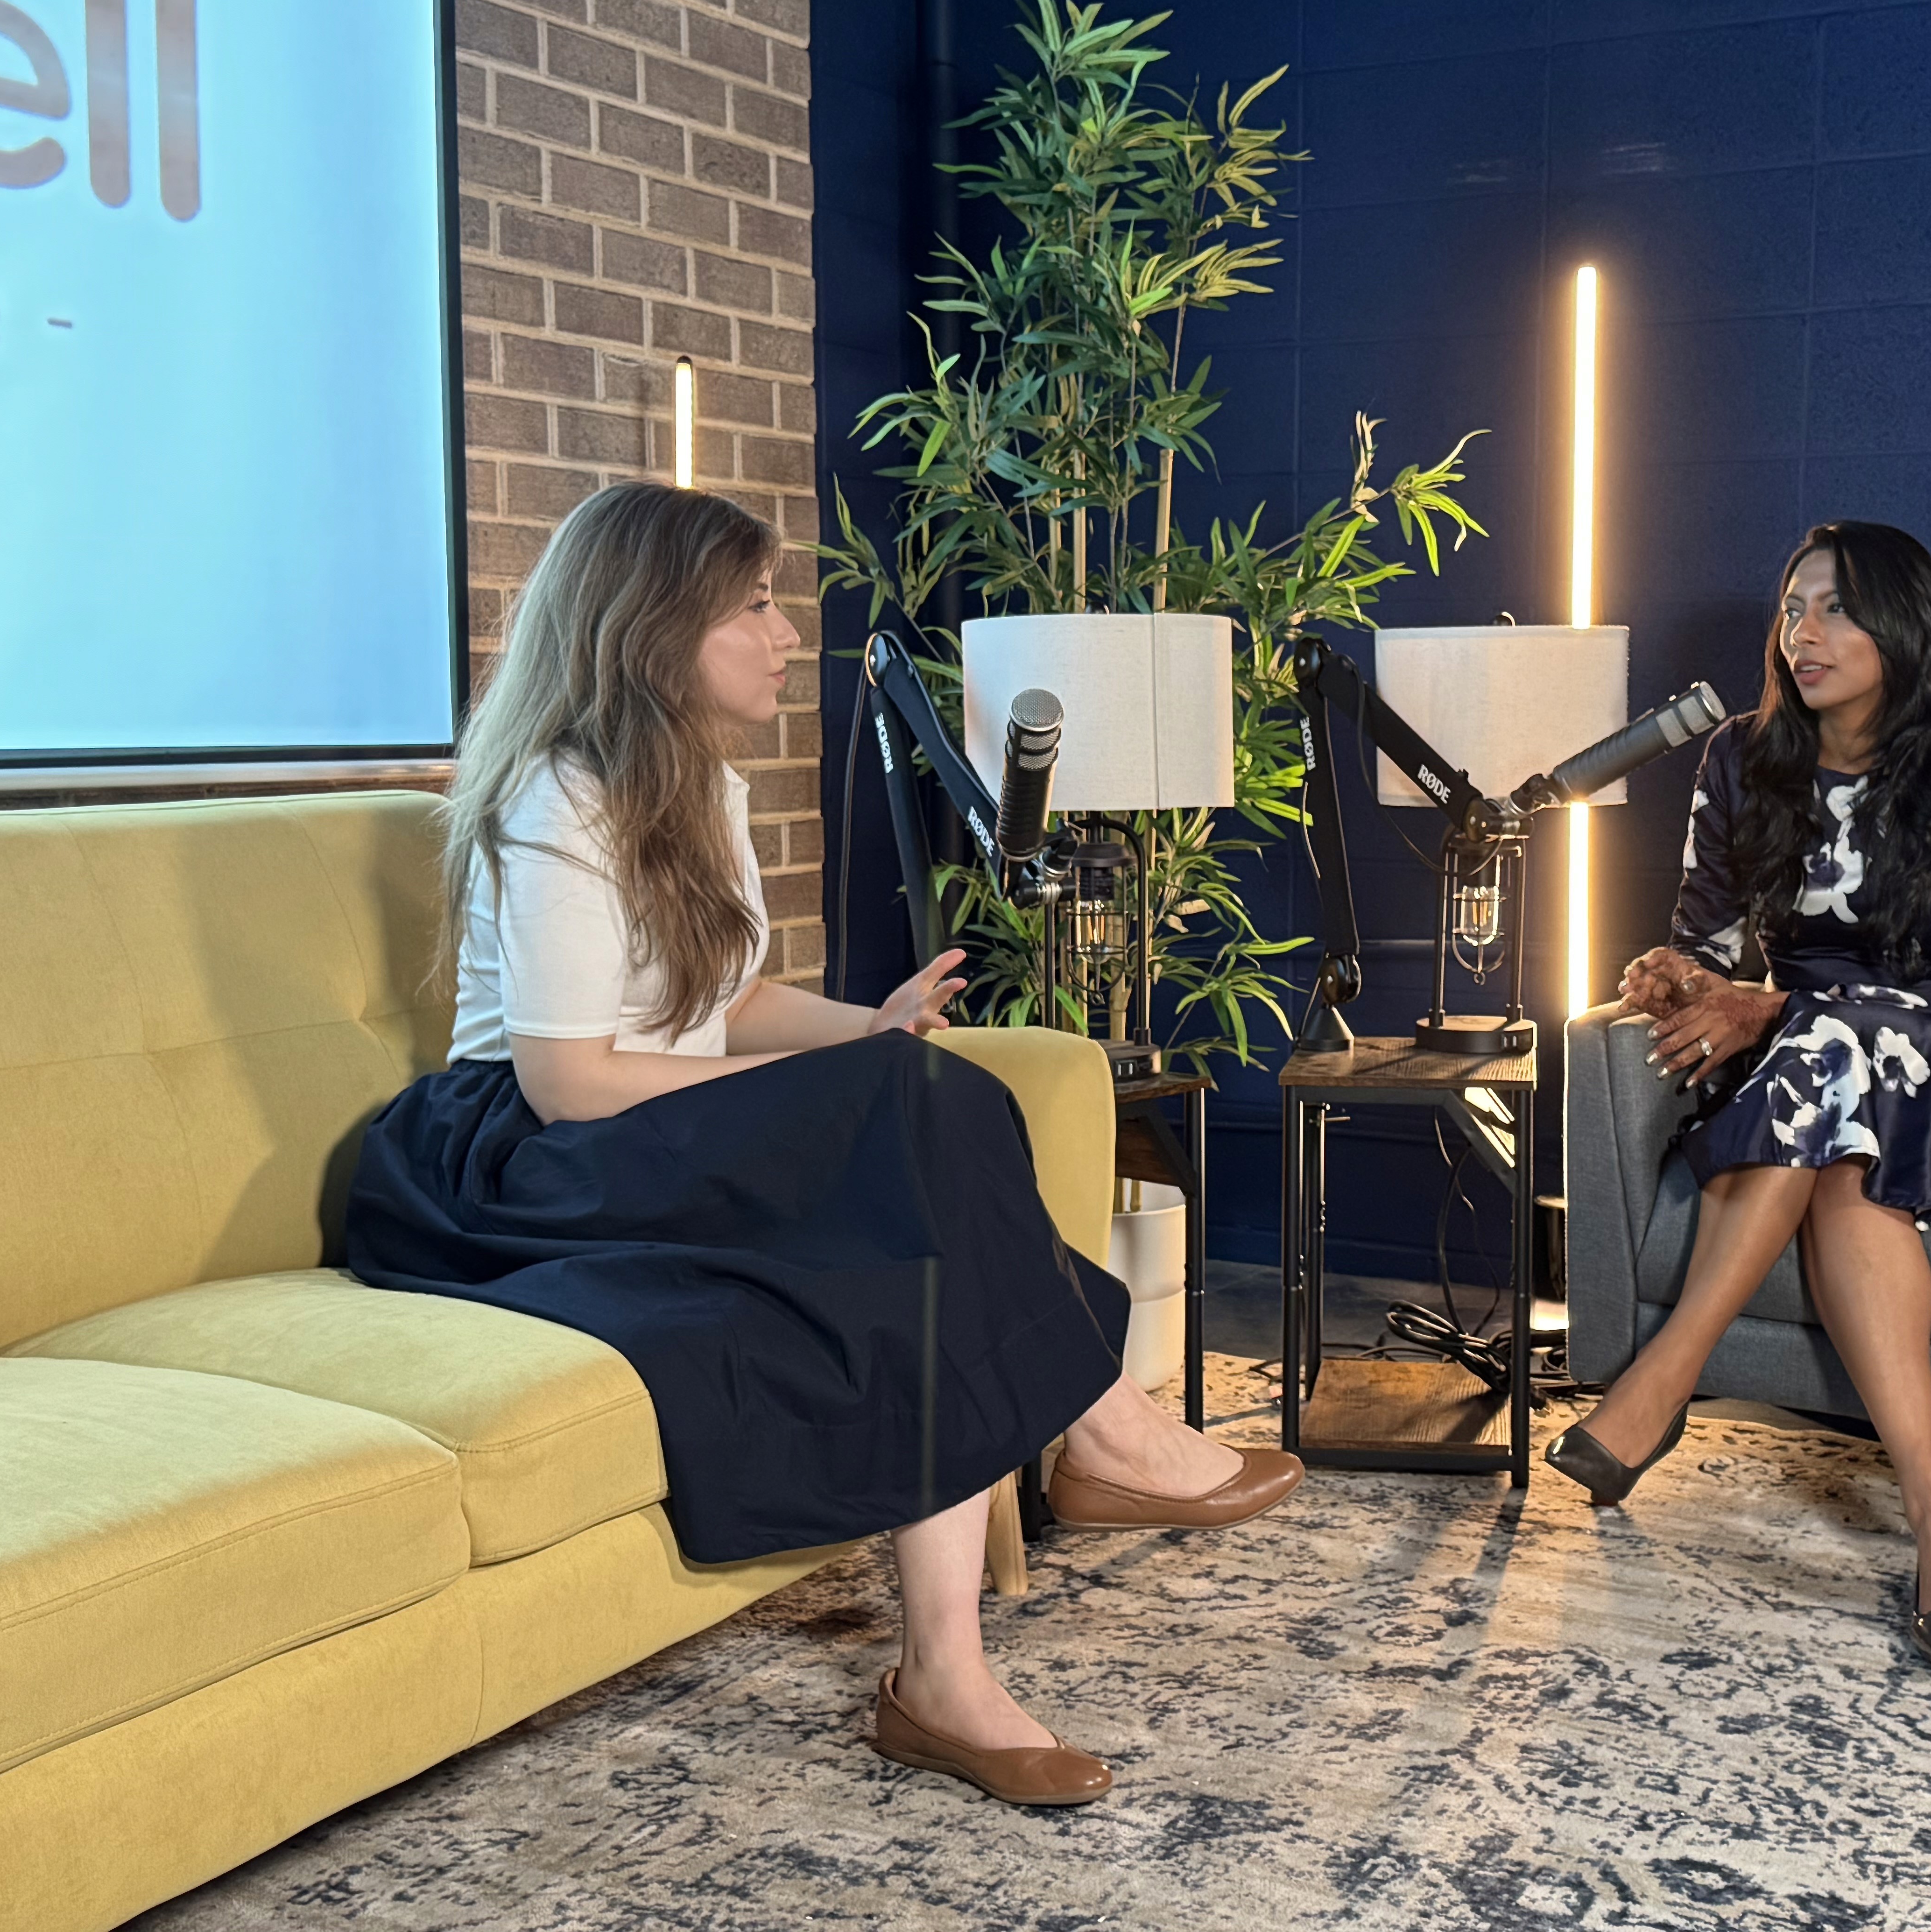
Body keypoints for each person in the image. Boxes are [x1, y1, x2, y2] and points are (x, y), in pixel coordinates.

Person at [344, 481, 1302, 1806]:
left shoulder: (702, 788)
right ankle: (1104, 1425)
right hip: (519, 1163)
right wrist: (820, 1102)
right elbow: (567, 1079)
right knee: (914, 1116)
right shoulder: (559, 795)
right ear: (655, 627)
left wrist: (872, 1021)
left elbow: (715, 1005)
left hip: (646, 1128)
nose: (789, 631)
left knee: (924, 1128)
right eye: (753, 605)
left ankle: (944, 1674)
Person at [1546, 521, 1931, 1666]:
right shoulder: (1739, 757)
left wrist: (1771, 1010)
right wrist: (1676, 977)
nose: (1802, 634)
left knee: (1832, 1052)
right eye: (1791, 609)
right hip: (1820, 1075)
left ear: (1903, 624)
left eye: (1832, 609)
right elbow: (1708, 943)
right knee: (1844, 1170)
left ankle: (1663, 1379)